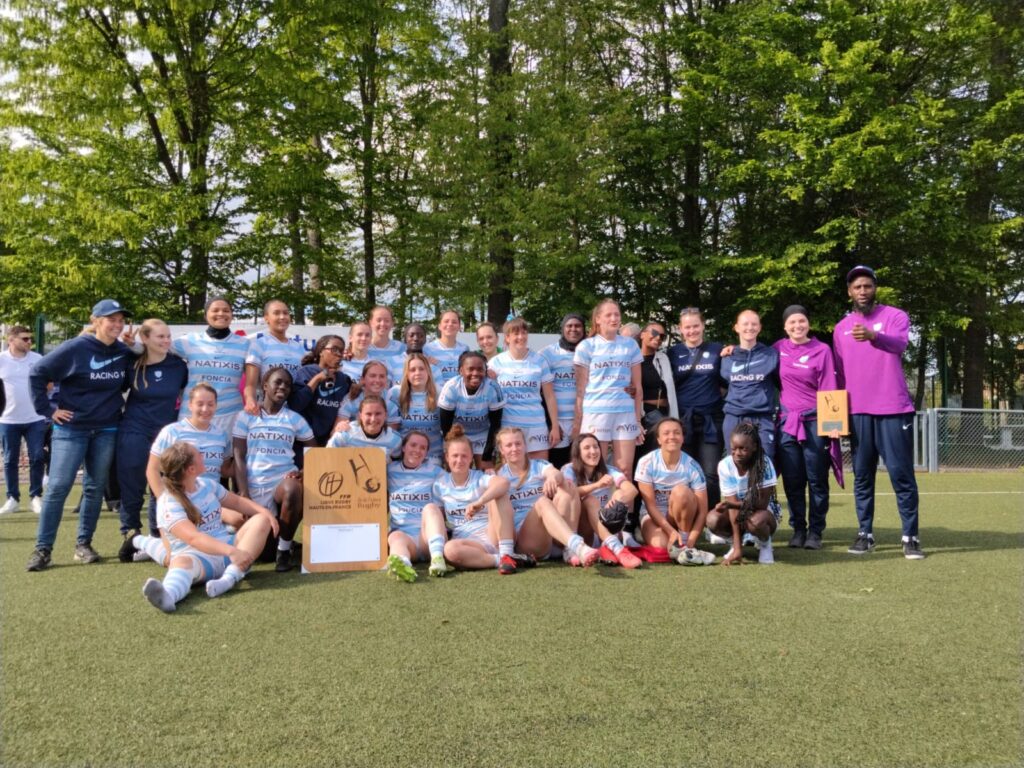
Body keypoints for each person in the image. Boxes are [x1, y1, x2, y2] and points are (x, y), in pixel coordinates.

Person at [26, 299, 134, 571]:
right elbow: (37, 373)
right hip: (71, 429)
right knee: (59, 488)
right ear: (95, 320)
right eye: (112, 319)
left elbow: (131, 374)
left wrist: (134, 346)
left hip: (107, 427)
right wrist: (48, 409)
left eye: (121, 320)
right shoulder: (76, 347)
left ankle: (83, 545)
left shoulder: (124, 351)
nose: (117, 325)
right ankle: (43, 550)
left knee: (95, 488)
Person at [834, 265, 924, 559]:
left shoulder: (895, 316)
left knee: (901, 475)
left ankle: (910, 536)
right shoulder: (840, 328)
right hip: (859, 412)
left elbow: (900, 344)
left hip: (892, 409)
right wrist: (837, 416)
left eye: (867, 286)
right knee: (862, 476)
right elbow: (839, 374)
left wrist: (874, 335)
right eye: (857, 287)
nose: (862, 291)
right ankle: (865, 534)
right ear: (849, 292)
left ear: (875, 289)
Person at [140, 442, 278, 612]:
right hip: (199, 558)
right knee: (181, 561)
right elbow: (194, 538)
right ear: (190, 469)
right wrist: (232, 552)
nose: (203, 456)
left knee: (261, 520)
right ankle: (168, 595)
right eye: (199, 454)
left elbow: (236, 501)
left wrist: (264, 511)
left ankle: (229, 579)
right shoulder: (169, 502)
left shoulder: (205, 484)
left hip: (227, 548)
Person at [130, 382, 234, 564]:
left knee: (238, 523)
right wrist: (166, 501)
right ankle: (141, 541)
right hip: (180, 503)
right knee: (174, 559)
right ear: (190, 405)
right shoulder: (172, 432)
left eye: (210, 404)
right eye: (200, 403)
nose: (205, 409)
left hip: (209, 503)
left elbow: (225, 470)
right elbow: (152, 470)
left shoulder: (220, 435)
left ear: (216, 405)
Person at [116, 319, 189, 559]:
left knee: (163, 485)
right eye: (160, 337)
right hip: (134, 429)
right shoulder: (132, 364)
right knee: (132, 482)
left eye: (168, 336)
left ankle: (158, 537)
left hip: (166, 432)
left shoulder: (179, 366)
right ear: (145, 339)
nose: (166, 341)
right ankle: (131, 533)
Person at [233, 367, 317, 572]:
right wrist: (243, 492)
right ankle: (275, 548)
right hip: (254, 483)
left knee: (293, 489)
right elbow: (238, 456)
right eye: (278, 382)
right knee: (263, 555)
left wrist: (302, 472)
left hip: (281, 480)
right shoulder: (246, 417)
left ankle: (284, 551)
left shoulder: (294, 419)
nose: (283, 387)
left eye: (287, 385)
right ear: (264, 386)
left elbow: (314, 452)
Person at [421, 425, 534, 574]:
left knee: (498, 493)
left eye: (464, 456)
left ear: (471, 458)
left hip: (494, 535)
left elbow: (503, 483)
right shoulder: (440, 485)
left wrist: (480, 501)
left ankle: (507, 553)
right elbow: (439, 520)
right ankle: (503, 559)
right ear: (447, 457)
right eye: (455, 456)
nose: (459, 460)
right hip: (470, 544)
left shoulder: (479, 478)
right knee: (450, 550)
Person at [773, 305, 838, 550]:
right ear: (785, 326)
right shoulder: (777, 349)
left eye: (801, 321)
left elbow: (830, 386)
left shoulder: (822, 350)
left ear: (808, 323)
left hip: (815, 423)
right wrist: (732, 350)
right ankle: (798, 530)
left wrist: (834, 424)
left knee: (817, 479)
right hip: (788, 423)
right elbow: (755, 361)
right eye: (792, 323)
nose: (797, 326)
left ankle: (816, 532)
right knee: (793, 480)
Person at [495, 427, 599, 566]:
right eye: (509, 445)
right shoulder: (499, 475)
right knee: (543, 502)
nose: (515, 448)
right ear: (501, 450)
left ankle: (569, 549)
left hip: (553, 534)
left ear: (525, 445)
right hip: (527, 541)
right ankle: (578, 546)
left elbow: (555, 473)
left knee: (568, 486)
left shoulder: (538, 465)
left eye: (518, 443)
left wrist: (552, 478)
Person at [573, 299, 644, 480]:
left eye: (617, 314)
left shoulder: (630, 345)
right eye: (608, 315)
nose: (614, 318)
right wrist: (578, 421)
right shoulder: (586, 346)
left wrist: (637, 420)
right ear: (598, 319)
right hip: (596, 413)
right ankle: (598, 508)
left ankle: (622, 509)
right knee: (596, 469)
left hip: (624, 413)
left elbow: (637, 386)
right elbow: (580, 390)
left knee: (625, 470)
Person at [666, 307, 726, 509]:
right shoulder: (672, 353)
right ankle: (687, 519)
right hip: (683, 422)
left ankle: (712, 521)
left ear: (703, 325)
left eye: (695, 326)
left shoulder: (718, 350)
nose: (692, 331)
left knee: (710, 472)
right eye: (687, 327)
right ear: (680, 329)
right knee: (683, 473)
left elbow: (728, 381)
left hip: (711, 420)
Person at [634, 417, 716, 565]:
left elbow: (703, 510)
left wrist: (691, 540)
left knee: (681, 492)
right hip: (653, 517)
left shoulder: (693, 466)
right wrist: (670, 531)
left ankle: (684, 543)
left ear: (683, 438)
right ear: (659, 439)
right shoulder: (646, 463)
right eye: (666, 433)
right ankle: (684, 550)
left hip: (681, 517)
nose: (671, 437)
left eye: (677, 433)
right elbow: (650, 506)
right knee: (661, 546)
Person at [169, 296, 250, 435]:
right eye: (215, 310)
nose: (221, 314)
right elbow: (156, 347)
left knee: (225, 457)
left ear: (232, 315)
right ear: (206, 315)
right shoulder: (189, 341)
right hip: (193, 414)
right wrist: (132, 345)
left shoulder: (245, 344)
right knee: (188, 457)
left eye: (226, 310)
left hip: (230, 415)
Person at [706, 422, 782, 565]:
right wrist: (737, 547)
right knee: (712, 519)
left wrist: (732, 504)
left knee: (755, 521)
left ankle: (765, 543)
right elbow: (733, 510)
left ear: (754, 447)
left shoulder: (763, 464)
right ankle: (735, 544)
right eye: (733, 448)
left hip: (764, 514)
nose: (737, 453)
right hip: (740, 512)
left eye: (743, 449)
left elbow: (761, 504)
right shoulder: (725, 465)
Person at [562, 433, 642, 568]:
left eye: (595, 447)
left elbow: (632, 490)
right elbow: (568, 492)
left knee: (619, 493)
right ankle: (616, 548)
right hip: (581, 533)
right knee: (590, 500)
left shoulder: (609, 470)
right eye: (587, 448)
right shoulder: (568, 469)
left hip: (602, 533)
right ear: (578, 452)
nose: (593, 451)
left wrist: (619, 499)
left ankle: (609, 546)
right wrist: (597, 485)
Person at [488, 318, 560, 459]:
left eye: (524, 333)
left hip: (536, 425)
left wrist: (555, 426)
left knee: (539, 473)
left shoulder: (539, 360)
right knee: (510, 475)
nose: (521, 337)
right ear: (507, 338)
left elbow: (550, 396)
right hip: (509, 426)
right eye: (516, 334)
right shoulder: (496, 362)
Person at [384, 430, 443, 582]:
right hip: (405, 536)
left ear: (427, 453)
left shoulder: (436, 472)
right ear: (403, 448)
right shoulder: (389, 470)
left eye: (423, 448)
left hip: (428, 536)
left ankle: (437, 559)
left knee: (430, 508)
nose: (417, 450)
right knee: (395, 536)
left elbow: (458, 483)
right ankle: (402, 564)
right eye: (413, 445)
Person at [721, 309, 780, 460]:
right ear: (736, 327)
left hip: (762, 417)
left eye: (754, 324)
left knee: (765, 466)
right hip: (734, 417)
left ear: (759, 327)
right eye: (745, 324)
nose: (750, 327)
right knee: (736, 466)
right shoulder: (727, 357)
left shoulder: (771, 354)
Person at [0, 325, 45, 515]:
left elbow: (48, 384)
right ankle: (12, 498)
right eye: (25, 339)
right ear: (11, 340)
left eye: (30, 339)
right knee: (10, 460)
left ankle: (35, 496)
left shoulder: (37, 359)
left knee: (37, 457)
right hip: (8, 418)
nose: (29, 342)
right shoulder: (1, 359)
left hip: (35, 418)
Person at [438, 351, 504, 468]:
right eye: (470, 369)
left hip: (482, 434)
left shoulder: (493, 388)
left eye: (480, 369)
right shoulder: (451, 387)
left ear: (485, 370)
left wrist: (487, 453)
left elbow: (495, 423)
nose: (475, 373)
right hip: (458, 434)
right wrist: (452, 446)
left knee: (486, 470)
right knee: (457, 470)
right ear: (461, 370)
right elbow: (445, 426)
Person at [539, 313, 584, 469]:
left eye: (578, 326)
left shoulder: (591, 351)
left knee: (580, 467)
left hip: (584, 420)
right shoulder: (547, 353)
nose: (573, 329)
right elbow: (542, 392)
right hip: (558, 422)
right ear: (562, 329)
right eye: (569, 326)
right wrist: (553, 424)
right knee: (558, 467)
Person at [243, 299, 305, 414]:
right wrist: (250, 401)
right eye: (276, 313)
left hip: (295, 413)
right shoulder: (258, 345)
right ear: (266, 318)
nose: (282, 317)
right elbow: (250, 384)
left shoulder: (299, 348)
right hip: (266, 411)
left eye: (286, 313)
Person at [288, 335, 351, 446]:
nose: (339, 354)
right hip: (303, 441)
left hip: (329, 442)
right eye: (334, 349)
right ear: (321, 351)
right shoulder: (306, 372)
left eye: (341, 351)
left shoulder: (343, 379)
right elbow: (295, 405)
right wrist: (317, 379)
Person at [391, 353, 442, 462]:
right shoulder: (396, 393)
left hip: (433, 456)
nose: (417, 373)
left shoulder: (440, 393)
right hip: (404, 456)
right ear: (406, 374)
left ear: (428, 371)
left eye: (421, 369)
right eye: (412, 370)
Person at [326, 395, 402, 457]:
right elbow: (327, 456)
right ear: (360, 415)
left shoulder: (395, 440)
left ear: (385, 415)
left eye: (378, 414)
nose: (373, 419)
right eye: (368, 414)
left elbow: (396, 467)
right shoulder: (345, 433)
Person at [337, 360, 400, 429]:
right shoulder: (352, 398)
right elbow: (336, 432)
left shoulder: (391, 400)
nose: (377, 380)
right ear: (362, 379)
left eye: (382, 376)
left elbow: (392, 434)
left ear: (386, 379)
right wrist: (341, 427)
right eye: (372, 376)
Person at [423, 310, 468, 385]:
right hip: (436, 394)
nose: (450, 324)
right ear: (439, 326)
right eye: (446, 321)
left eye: (454, 322)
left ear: (459, 326)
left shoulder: (465, 349)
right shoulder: (427, 349)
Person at [366, 305, 406, 384]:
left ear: (392, 323)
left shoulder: (401, 348)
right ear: (371, 323)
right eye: (379, 320)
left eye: (387, 320)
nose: (383, 324)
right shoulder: (364, 347)